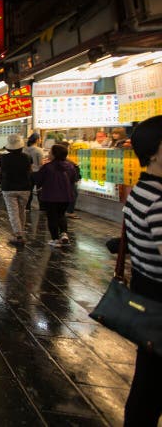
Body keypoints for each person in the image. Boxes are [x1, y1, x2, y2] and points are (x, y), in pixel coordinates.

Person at [121, 115, 162, 425]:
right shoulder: (158, 200)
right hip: (157, 302)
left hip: (145, 293)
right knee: (150, 386)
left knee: (148, 383)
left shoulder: (140, 190)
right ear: (158, 150)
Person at [33, 144, 80, 247]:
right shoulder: (70, 166)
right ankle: (64, 234)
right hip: (66, 197)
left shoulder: (47, 167)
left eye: (50, 152)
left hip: (50, 197)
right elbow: (73, 180)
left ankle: (55, 239)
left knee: (52, 217)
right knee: (61, 215)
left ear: (54, 155)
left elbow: (39, 181)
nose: (48, 154)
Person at [0, 134, 33, 245]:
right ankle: (20, 233)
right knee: (21, 211)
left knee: (13, 212)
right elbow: (30, 171)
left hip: (9, 188)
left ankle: (18, 235)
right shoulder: (27, 157)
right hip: (25, 188)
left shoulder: (3, 158)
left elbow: (1, 171)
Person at [23, 133, 43, 211]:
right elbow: (40, 164)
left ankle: (27, 207)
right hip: (37, 172)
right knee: (39, 190)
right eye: (40, 139)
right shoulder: (38, 150)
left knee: (29, 190)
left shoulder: (25, 149)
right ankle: (42, 207)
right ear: (37, 140)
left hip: (28, 172)